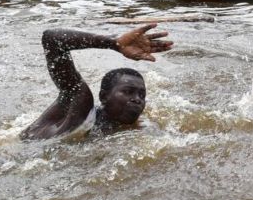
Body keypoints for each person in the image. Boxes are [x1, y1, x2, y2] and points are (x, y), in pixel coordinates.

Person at [20, 24, 173, 140]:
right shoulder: (82, 107)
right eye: (128, 92)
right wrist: (114, 43)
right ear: (103, 96)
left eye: (142, 94)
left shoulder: (133, 126)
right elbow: (51, 38)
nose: (137, 99)